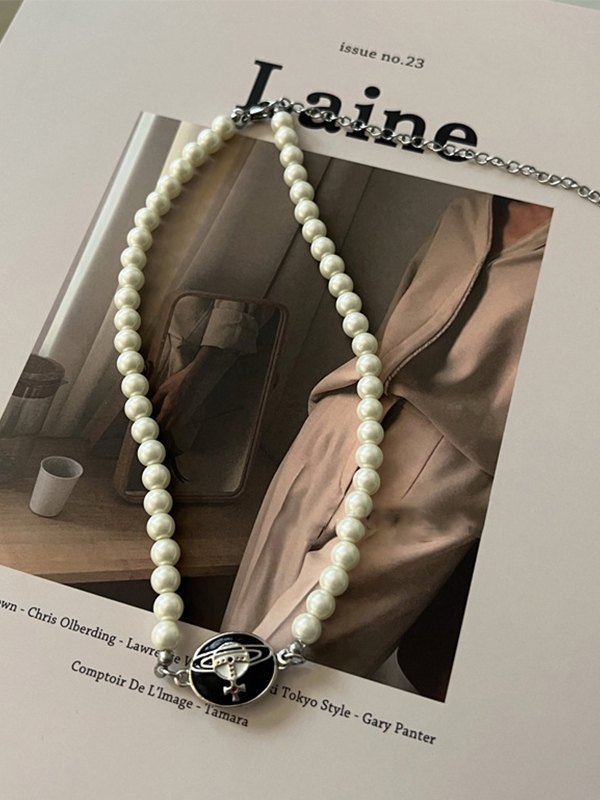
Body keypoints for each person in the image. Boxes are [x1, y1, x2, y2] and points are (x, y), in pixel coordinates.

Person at [220, 191, 552, 685]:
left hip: (449, 465)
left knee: (305, 674)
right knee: (233, 639)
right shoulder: (471, 205)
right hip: (342, 419)